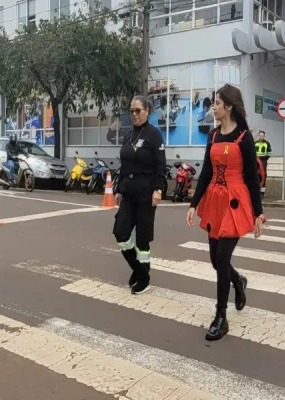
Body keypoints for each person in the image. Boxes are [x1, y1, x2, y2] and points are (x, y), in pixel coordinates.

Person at [186, 84, 265, 342]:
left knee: (221, 258)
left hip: (235, 202)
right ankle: (238, 281)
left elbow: (252, 178)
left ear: (228, 106)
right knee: (215, 259)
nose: (214, 107)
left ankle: (221, 317)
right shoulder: (213, 135)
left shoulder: (243, 137)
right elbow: (206, 172)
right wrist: (193, 203)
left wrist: (258, 213)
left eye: (217, 103)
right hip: (215, 201)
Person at [114, 95, 167, 295]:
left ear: (147, 111)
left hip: (146, 192)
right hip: (128, 191)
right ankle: (139, 271)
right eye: (132, 111)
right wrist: (119, 189)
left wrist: (158, 189)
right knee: (121, 233)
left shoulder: (154, 135)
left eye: (138, 110)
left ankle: (143, 278)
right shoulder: (128, 135)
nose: (134, 114)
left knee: (142, 239)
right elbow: (124, 165)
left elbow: (161, 165)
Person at [254, 130, 271, 195]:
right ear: (259, 136)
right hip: (256, 160)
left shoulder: (267, 143)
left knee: (263, 174)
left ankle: (262, 190)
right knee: (255, 174)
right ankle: (256, 189)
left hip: (263, 160)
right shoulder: (255, 143)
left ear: (264, 136)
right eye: (260, 135)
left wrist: (265, 159)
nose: (261, 137)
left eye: (262, 136)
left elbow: (269, 153)